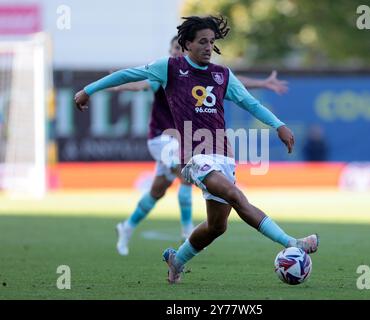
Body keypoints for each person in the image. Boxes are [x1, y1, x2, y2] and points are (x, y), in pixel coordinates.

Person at [74, 15, 319, 284]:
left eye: (211, 42)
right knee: (235, 195)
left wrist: (279, 125)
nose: (208, 47)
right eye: (202, 41)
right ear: (187, 43)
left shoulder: (222, 74)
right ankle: (293, 242)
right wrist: (88, 90)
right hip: (195, 157)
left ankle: (176, 261)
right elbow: (128, 74)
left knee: (217, 226)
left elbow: (251, 104)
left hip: (223, 157)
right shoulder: (169, 68)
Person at [112, 37, 289, 256]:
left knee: (157, 191)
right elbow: (140, 83)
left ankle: (127, 227)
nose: (178, 52)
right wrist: (118, 84)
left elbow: (230, 82)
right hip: (163, 139)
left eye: (180, 48)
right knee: (186, 173)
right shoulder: (165, 72)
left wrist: (261, 84)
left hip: (184, 140)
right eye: (175, 48)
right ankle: (187, 232)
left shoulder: (201, 74)